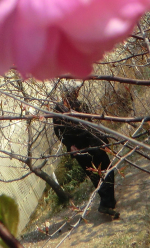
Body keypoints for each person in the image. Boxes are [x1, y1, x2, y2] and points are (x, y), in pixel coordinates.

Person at [52, 89, 119, 219]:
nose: (74, 96)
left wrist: (101, 139)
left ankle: (108, 202)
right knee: (95, 175)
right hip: (79, 149)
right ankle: (107, 203)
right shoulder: (58, 111)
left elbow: (90, 124)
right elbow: (58, 132)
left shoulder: (81, 105)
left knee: (107, 169)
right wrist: (70, 145)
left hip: (93, 142)